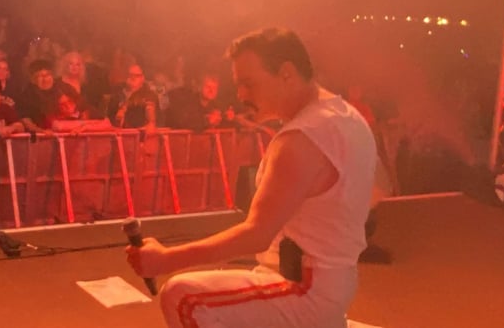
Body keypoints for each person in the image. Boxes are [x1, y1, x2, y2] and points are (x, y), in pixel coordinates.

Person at [125, 28, 376, 328]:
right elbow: (378, 190)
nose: (241, 95)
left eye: (248, 84)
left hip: (304, 291)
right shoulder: (345, 116)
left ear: (286, 73)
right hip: (332, 282)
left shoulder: (302, 138)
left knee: (183, 298)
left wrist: (166, 259)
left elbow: (257, 234)